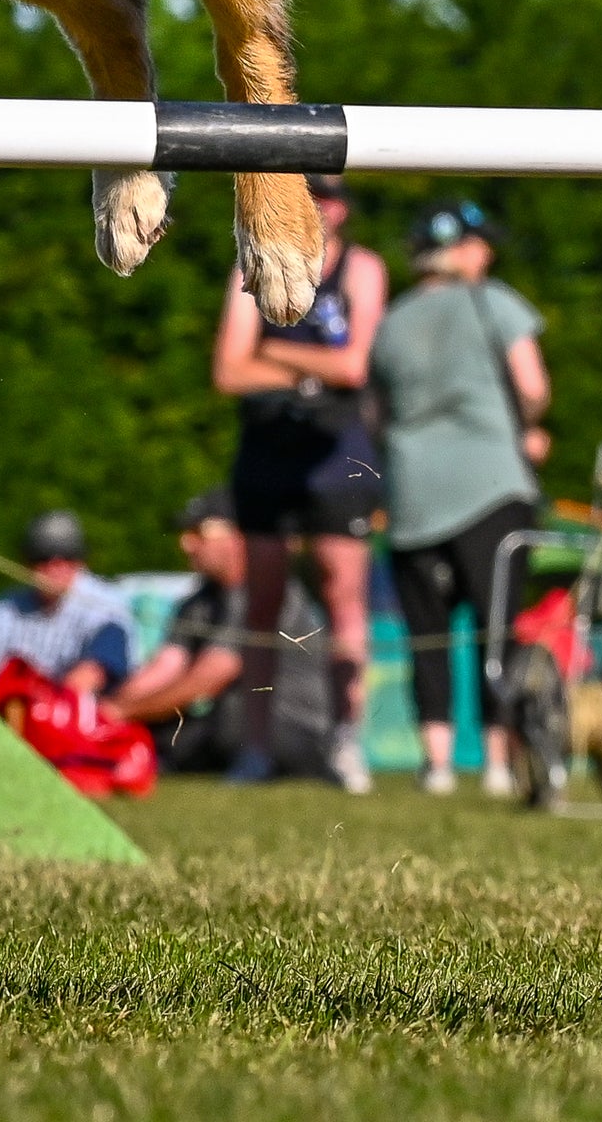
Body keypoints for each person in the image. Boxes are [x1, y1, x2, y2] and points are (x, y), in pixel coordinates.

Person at [212, 175, 388, 791]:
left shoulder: (362, 268)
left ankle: (346, 741)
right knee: (261, 605)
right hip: (267, 453)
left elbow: (354, 365)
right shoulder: (252, 265)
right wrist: (313, 374)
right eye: (313, 192)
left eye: (333, 196)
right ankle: (255, 747)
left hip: (338, 456)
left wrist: (273, 351)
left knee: (345, 599)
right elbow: (229, 371)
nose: (324, 205)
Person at [370, 200, 551, 797]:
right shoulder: (492, 300)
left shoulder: (390, 322)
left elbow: (376, 415)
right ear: (461, 249)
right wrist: (527, 427)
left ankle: (438, 765)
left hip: (413, 494)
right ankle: (497, 764)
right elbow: (533, 386)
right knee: (495, 632)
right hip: (492, 484)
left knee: (428, 636)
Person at [109, 488, 332, 776]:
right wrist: (106, 709)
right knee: (170, 729)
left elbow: (210, 677)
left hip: (293, 730)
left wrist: (121, 712)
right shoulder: (199, 600)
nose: (185, 544)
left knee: (228, 720)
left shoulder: (267, 594)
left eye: (198, 533)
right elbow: (164, 667)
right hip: (232, 723)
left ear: (238, 536)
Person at [0, 510, 135, 696]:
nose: (55, 565)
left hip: (79, 710)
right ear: (27, 561)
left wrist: (44, 704)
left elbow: (94, 673)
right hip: (12, 709)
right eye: (43, 556)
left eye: (67, 555)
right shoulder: (9, 607)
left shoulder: (102, 603)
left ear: (80, 560)